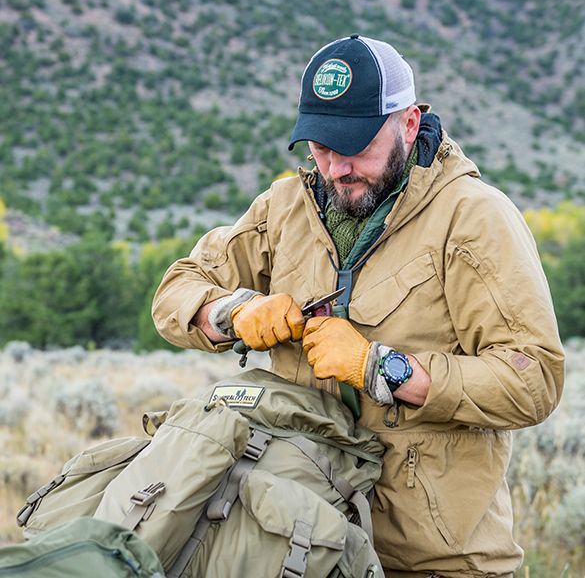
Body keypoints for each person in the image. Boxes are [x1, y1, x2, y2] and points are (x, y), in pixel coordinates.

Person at [152, 35, 565, 578]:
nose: (337, 167)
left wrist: (383, 368)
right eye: (321, 148)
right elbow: (177, 291)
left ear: (410, 124)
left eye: (356, 147)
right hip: (301, 544)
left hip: (434, 560)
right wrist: (230, 312)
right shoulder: (282, 209)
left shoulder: (473, 217)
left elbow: (533, 379)